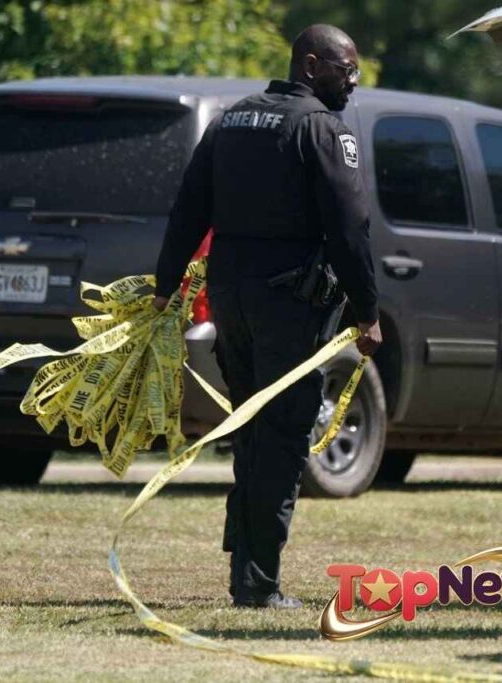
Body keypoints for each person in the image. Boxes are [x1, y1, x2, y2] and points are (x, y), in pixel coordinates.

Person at [153, 24, 382, 608]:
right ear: (310, 64)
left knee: (251, 428)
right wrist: (368, 311)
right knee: (282, 434)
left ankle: (246, 568)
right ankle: (259, 582)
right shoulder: (321, 129)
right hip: (290, 304)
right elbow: (349, 231)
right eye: (344, 70)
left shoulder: (231, 119)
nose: (353, 83)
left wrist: (165, 284)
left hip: (231, 297)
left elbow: (188, 209)